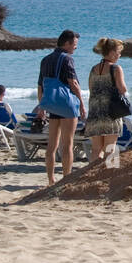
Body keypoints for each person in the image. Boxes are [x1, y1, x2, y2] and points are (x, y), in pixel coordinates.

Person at [37, 30, 86, 185]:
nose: (76, 48)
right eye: (75, 44)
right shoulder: (67, 59)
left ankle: (51, 180)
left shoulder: (45, 60)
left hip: (52, 105)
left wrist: (42, 106)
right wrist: (82, 104)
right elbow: (74, 84)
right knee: (67, 144)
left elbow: (40, 86)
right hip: (67, 105)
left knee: (52, 145)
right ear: (67, 43)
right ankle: (66, 179)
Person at [87, 38, 128, 162]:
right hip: (111, 111)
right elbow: (122, 89)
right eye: (118, 52)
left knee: (96, 149)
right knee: (110, 147)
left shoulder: (94, 69)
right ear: (111, 52)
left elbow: (91, 88)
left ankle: (92, 175)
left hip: (95, 111)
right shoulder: (116, 69)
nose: (119, 55)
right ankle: (108, 175)